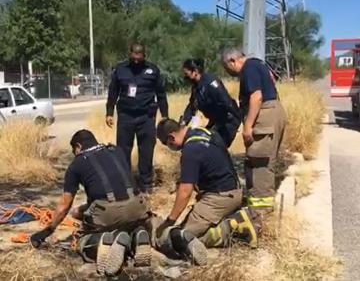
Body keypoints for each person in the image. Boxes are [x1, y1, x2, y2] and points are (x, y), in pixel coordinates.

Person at [30, 130, 152, 276]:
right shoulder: (117, 151)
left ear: (78, 146)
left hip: (108, 213)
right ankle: (136, 235)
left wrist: (47, 231)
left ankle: (108, 240)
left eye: (74, 150)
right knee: (80, 212)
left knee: (82, 241)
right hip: (137, 206)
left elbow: (64, 205)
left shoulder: (76, 165)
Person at [154, 119, 259, 265]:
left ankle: (234, 228)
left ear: (171, 137)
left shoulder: (190, 150)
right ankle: (230, 216)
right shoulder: (205, 132)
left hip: (219, 197)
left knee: (178, 237)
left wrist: (170, 221)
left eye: (166, 143)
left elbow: (185, 191)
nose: (168, 147)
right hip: (234, 190)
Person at [221, 47, 287, 214]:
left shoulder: (248, 68)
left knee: (259, 163)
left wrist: (248, 126)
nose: (229, 72)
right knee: (263, 161)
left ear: (232, 61)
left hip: (264, 115)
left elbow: (256, 97)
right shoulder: (258, 64)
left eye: (227, 68)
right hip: (274, 111)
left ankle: (260, 213)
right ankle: (261, 206)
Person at [106, 43, 169, 193]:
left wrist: (165, 115)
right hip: (125, 116)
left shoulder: (152, 70)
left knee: (146, 150)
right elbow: (113, 92)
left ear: (144, 55)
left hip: (146, 117)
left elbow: (161, 94)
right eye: (134, 55)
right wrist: (109, 112)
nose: (136, 58)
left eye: (139, 55)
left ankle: (146, 183)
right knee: (123, 150)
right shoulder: (120, 70)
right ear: (130, 54)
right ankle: (126, 183)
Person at [181, 58, 241, 147]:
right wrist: (183, 122)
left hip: (228, 120)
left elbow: (226, 102)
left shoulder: (210, 82)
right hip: (216, 121)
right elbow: (192, 106)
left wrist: (241, 119)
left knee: (216, 147)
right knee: (203, 143)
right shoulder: (196, 88)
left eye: (187, 74)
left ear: (195, 71)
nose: (185, 78)